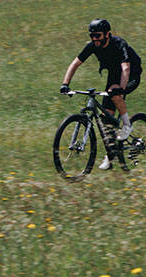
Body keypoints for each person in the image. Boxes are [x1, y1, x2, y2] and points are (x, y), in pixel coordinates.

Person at [60, 19, 141, 168]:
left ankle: (127, 125)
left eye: (98, 35)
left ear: (107, 34)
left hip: (131, 75)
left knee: (114, 94)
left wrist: (121, 89)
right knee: (106, 118)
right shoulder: (92, 46)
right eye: (92, 36)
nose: (94, 39)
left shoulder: (119, 44)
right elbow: (75, 63)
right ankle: (110, 156)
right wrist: (65, 84)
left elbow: (126, 69)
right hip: (114, 75)